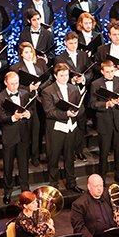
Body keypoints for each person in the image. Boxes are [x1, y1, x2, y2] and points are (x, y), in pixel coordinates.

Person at [40, 62, 83, 192]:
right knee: (53, 158)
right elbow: (49, 112)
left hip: (71, 128)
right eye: (62, 75)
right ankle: (54, 185)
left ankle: (71, 183)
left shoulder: (74, 89)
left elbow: (81, 107)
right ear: (55, 76)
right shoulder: (47, 91)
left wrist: (76, 112)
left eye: (67, 75)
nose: (65, 78)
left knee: (70, 157)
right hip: (56, 129)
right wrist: (66, 114)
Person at [89, 59, 119, 186]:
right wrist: (106, 104)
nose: (110, 74)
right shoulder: (95, 84)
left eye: (112, 71)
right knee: (104, 151)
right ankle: (102, 176)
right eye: (107, 72)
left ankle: (118, 175)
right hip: (104, 121)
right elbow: (92, 104)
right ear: (102, 72)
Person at [0, 71, 33, 203]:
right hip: (9, 136)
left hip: (23, 134)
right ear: (5, 83)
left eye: (16, 83)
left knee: (23, 164)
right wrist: (14, 117)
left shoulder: (24, 93)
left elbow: (31, 109)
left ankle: (25, 190)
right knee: (8, 166)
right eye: (11, 84)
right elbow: (1, 118)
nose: (14, 86)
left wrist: (28, 114)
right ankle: (7, 191)